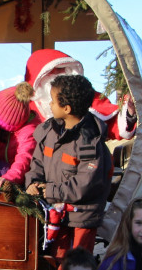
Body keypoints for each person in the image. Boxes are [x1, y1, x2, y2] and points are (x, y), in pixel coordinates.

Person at [24, 74, 113, 259]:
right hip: (55, 212)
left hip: (81, 217)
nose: (50, 105)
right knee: (57, 259)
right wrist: (33, 182)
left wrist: (49, 190)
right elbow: (37, 163)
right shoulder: (49, 132)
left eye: (53, 101)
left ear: (67, 108)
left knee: (79, 264)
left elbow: (84, 184)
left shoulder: (89, 142)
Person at [23, 49, 137, 140]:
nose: (59, 75)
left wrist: (129, 115)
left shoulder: (86, 97)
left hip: (87, 161)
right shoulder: (28, 108)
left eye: (62, 70)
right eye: (52, 72)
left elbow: (112, 125)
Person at [0, 82, 40, 187]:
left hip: (16, 182)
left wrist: (8, 179)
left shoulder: (29, 134)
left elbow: (23, 161)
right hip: (0, 173)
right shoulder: (5, 129)